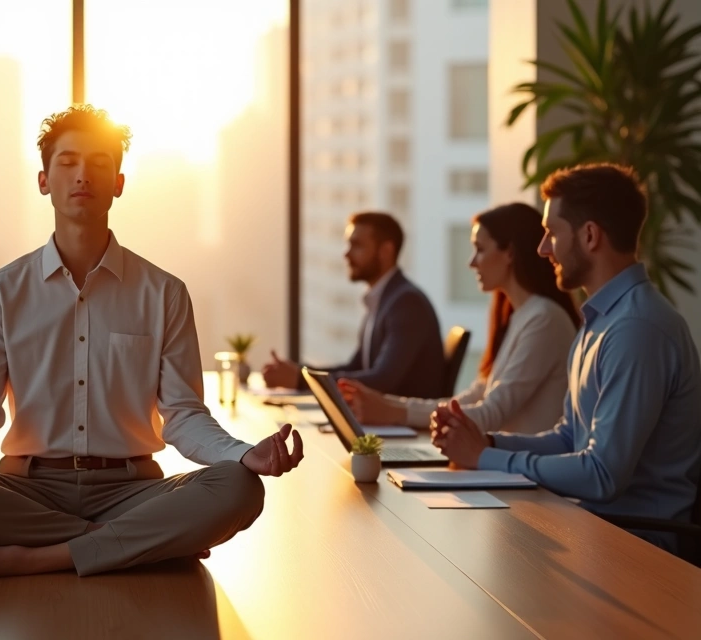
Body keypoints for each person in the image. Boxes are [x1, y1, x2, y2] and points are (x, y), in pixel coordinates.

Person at [0, 105, 301, 580]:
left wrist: (244, 453)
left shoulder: (164, 292)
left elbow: (183, 416)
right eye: (68, 162)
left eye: (100, 163)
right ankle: (135, 544)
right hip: (29, 491)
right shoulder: (0, 291)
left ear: (118, 183)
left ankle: (39, 557)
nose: (83, 174)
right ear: (44, 180)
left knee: (239, 488)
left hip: (133, 490)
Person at [433, 164, 701, 549]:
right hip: (594, 527)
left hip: (635, 546)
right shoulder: (599, 321)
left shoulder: (637, 330)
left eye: (551, 233)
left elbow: (601, 474)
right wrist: (488, 445)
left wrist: (485, 459)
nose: (543, 249)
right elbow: (569, 437)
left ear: (590, 235)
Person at [339, 203, 580, 434]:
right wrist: (389, 406)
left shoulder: (544, 319)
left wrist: (395, 412)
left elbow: (490, 413)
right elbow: (472, 397)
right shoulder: (519, 317)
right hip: (501, 467)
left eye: (481, 249)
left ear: (509, 253)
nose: (472, 262)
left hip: (520, 473)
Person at [262, 212, 445, 398]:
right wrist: (300, 372)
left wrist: (302, 379)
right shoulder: (384, 299)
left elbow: (382, 380)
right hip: (383, 423)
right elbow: (355, 367)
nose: (346, 254)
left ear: (386, 251)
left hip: (404, 426)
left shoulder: (406, 304)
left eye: (356, 245)